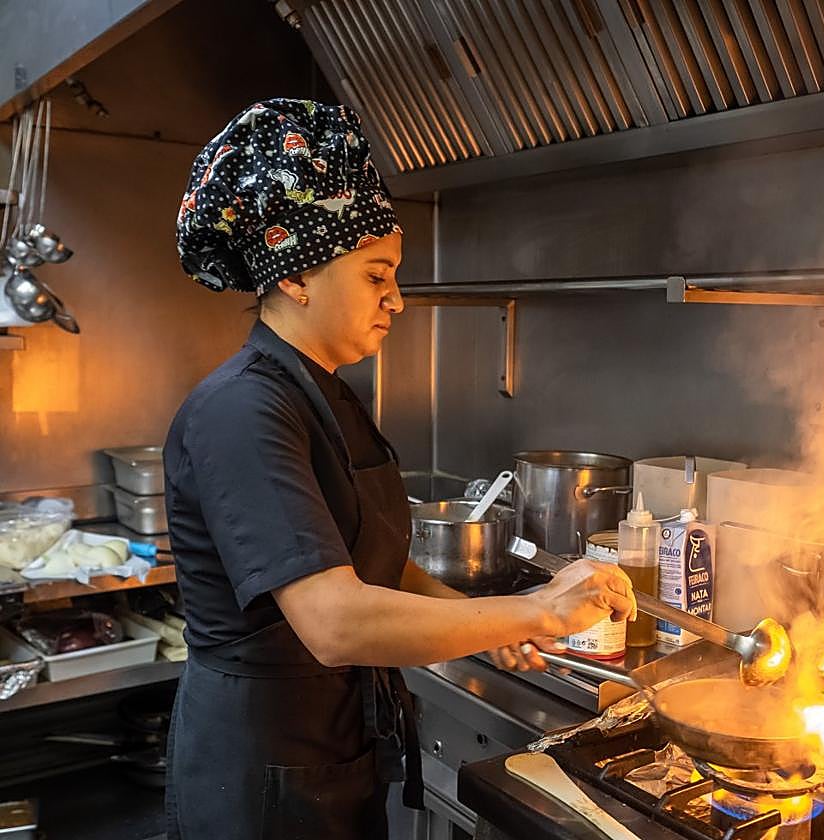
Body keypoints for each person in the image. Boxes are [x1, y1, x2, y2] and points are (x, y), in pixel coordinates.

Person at [165, 98, 635, 840]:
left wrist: (474, 624)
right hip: (261, 769)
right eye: (376, 275)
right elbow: (333, 621)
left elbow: (374, 563)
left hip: (331, 747)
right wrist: (539, 610)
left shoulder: (324, 393)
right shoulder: (243, 410)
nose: (398, 300)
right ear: (297, 275)